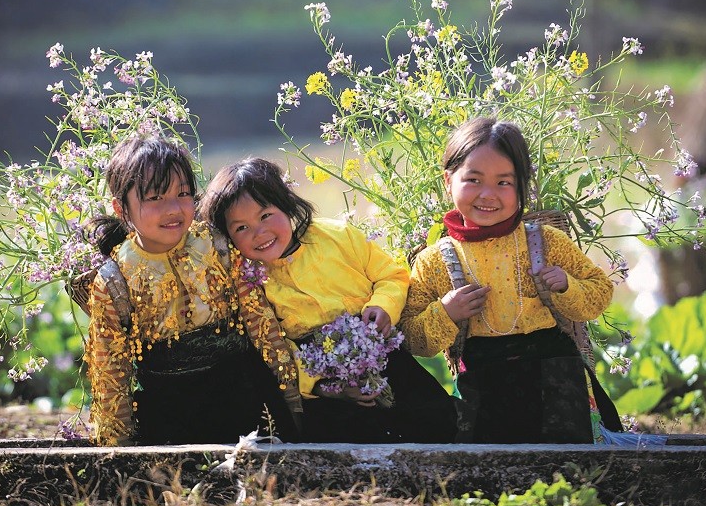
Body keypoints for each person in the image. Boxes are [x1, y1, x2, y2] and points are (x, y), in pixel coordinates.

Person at [199, 157, 457, 444]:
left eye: (265, 216)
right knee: (342, 439)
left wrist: (382, 307)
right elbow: (276, 350)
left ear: (286, 204)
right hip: (324, 374)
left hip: (378, 348)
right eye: (241, 228)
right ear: (229, 238)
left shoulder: (337, 235)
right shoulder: (249, 282)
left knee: (436, 416)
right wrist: (324, 387)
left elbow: (391, 276)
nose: (260, 233)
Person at [400, 115, 615, 443]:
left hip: (556, 373)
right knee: (494, 459)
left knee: (572, 458)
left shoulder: (545, 241)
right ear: (448, 181)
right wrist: (446, 313)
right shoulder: (434, 261)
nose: (488, 195)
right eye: (473, 180)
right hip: (486, 379)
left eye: (504, 183)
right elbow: (414, 340)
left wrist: (567, 286)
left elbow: (600, 292)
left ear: (522, 187)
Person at [83, 135, 300, 446]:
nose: (173, 208)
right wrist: (117, 449)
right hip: (171, 407)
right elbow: (110, 373)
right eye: (155, 198)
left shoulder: (218, 246)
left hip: (245, 394)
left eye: (183, 193)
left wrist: (291, 404)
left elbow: (261, 325)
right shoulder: (114, 280)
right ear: (121, 208)